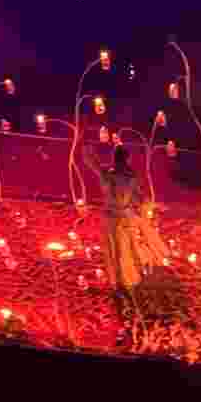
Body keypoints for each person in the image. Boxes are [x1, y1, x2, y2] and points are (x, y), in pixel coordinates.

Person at [82, 142, 169, 343]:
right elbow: (140, 199)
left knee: (121, 250)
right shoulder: (124, 177)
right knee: (122, 250)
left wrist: (87, 152)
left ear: (116, 158)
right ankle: (124, 282)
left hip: (116, 220)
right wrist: (150, 205)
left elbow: (93, 165)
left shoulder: (111, 175)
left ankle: (124, 282)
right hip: (119, 220)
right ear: (127, 159)